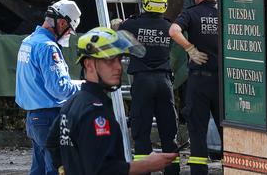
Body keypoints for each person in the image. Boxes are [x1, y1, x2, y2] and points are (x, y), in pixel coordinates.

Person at [52, 26, 177, 175]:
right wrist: (147, 165)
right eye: (109, 60)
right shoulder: (95, 112)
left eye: (119, 59)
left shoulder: (73, 102)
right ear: (89, 64)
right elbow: (103, 170)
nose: (118, 67)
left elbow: (52, 143)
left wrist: (67, 169)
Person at [15, 0, 81, 175]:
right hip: (49, 119)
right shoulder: (48, 47)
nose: (68, 35)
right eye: (69, 30)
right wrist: (86, 86)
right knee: (56, 170)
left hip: (34, 119)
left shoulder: (28, 42)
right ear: (61, 23)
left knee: (39, 170)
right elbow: (60, 89)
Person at [119, 0, 179, 175]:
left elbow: (119, 32)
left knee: (141, 132)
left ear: (144, 4)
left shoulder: (130, 25)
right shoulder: (169, 27)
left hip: (142, 82)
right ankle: (172, 171)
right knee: (169, 132)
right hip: (164, 82)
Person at [169, 0, 220, 175]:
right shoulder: (226, 11)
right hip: (222, 85)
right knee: (228, 131)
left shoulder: (191, 13)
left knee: (197, 133)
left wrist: (190, 49)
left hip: (199, 82)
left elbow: (173, 31)